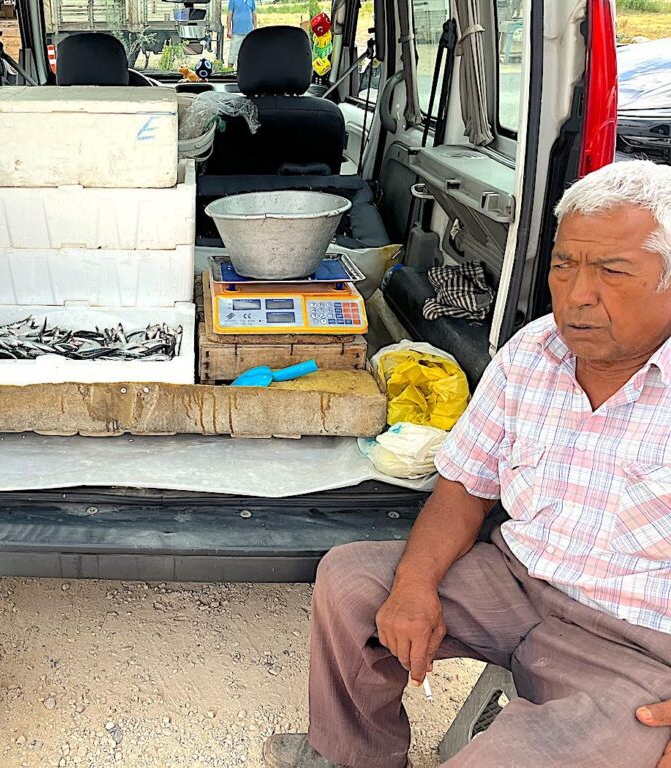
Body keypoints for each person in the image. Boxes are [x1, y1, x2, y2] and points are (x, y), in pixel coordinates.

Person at [263, 159, 671, 768]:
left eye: (612, 271)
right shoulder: (533, 352)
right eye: (564, 266)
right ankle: (355, 758)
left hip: (635, 646)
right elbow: (463, 487)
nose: (578, 295)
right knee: (353, 584)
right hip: (516, 581)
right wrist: (413, 586)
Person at [225, 0, 257, 68]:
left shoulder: (252, 1)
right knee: (233, 53)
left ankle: (249, 71)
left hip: (249, 32)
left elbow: (254, 14)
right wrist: (229, 29)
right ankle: (229, 71)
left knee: (249, 53)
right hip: (236, 32)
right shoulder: (233, 1)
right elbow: (229, 14)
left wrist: (255, 28)